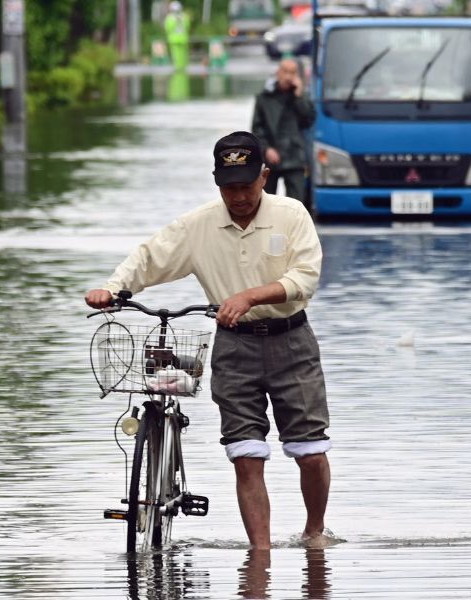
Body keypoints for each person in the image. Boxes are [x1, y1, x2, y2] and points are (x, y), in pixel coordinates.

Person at [84, 131, 332, 550]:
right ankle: (261, 556)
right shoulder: (198, 225)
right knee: (246, 457)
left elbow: (305, 278)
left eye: (246, 186)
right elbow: (150, 258)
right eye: (228, 187)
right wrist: (112, 288)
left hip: (292, 342)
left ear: (265, 177)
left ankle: (314, 531)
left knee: (309, 451)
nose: (238, 196)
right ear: (217, 183)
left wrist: (249, 296)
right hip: (235, 348)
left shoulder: (291, 215)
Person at [251, 59, 316, 208]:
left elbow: (309, 120)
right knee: (265, 203)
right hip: (271, 156)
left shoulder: (301, 97)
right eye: (285, 72)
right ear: (278, 73)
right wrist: (266, 149)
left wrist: (299, 96)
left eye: (292, 73)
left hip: (295, 156)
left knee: (297, 204)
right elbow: (257, 129)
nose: (288, 76)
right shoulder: (264, 98)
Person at [164, 1, 190, 72]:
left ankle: (180, 67)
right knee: (178, 54)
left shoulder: (170, 18)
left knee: (179, 53)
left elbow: (167, 28)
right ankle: (180, 67)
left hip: (177, 38)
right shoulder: (183, 17)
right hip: (178, 38)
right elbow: (187, 27)